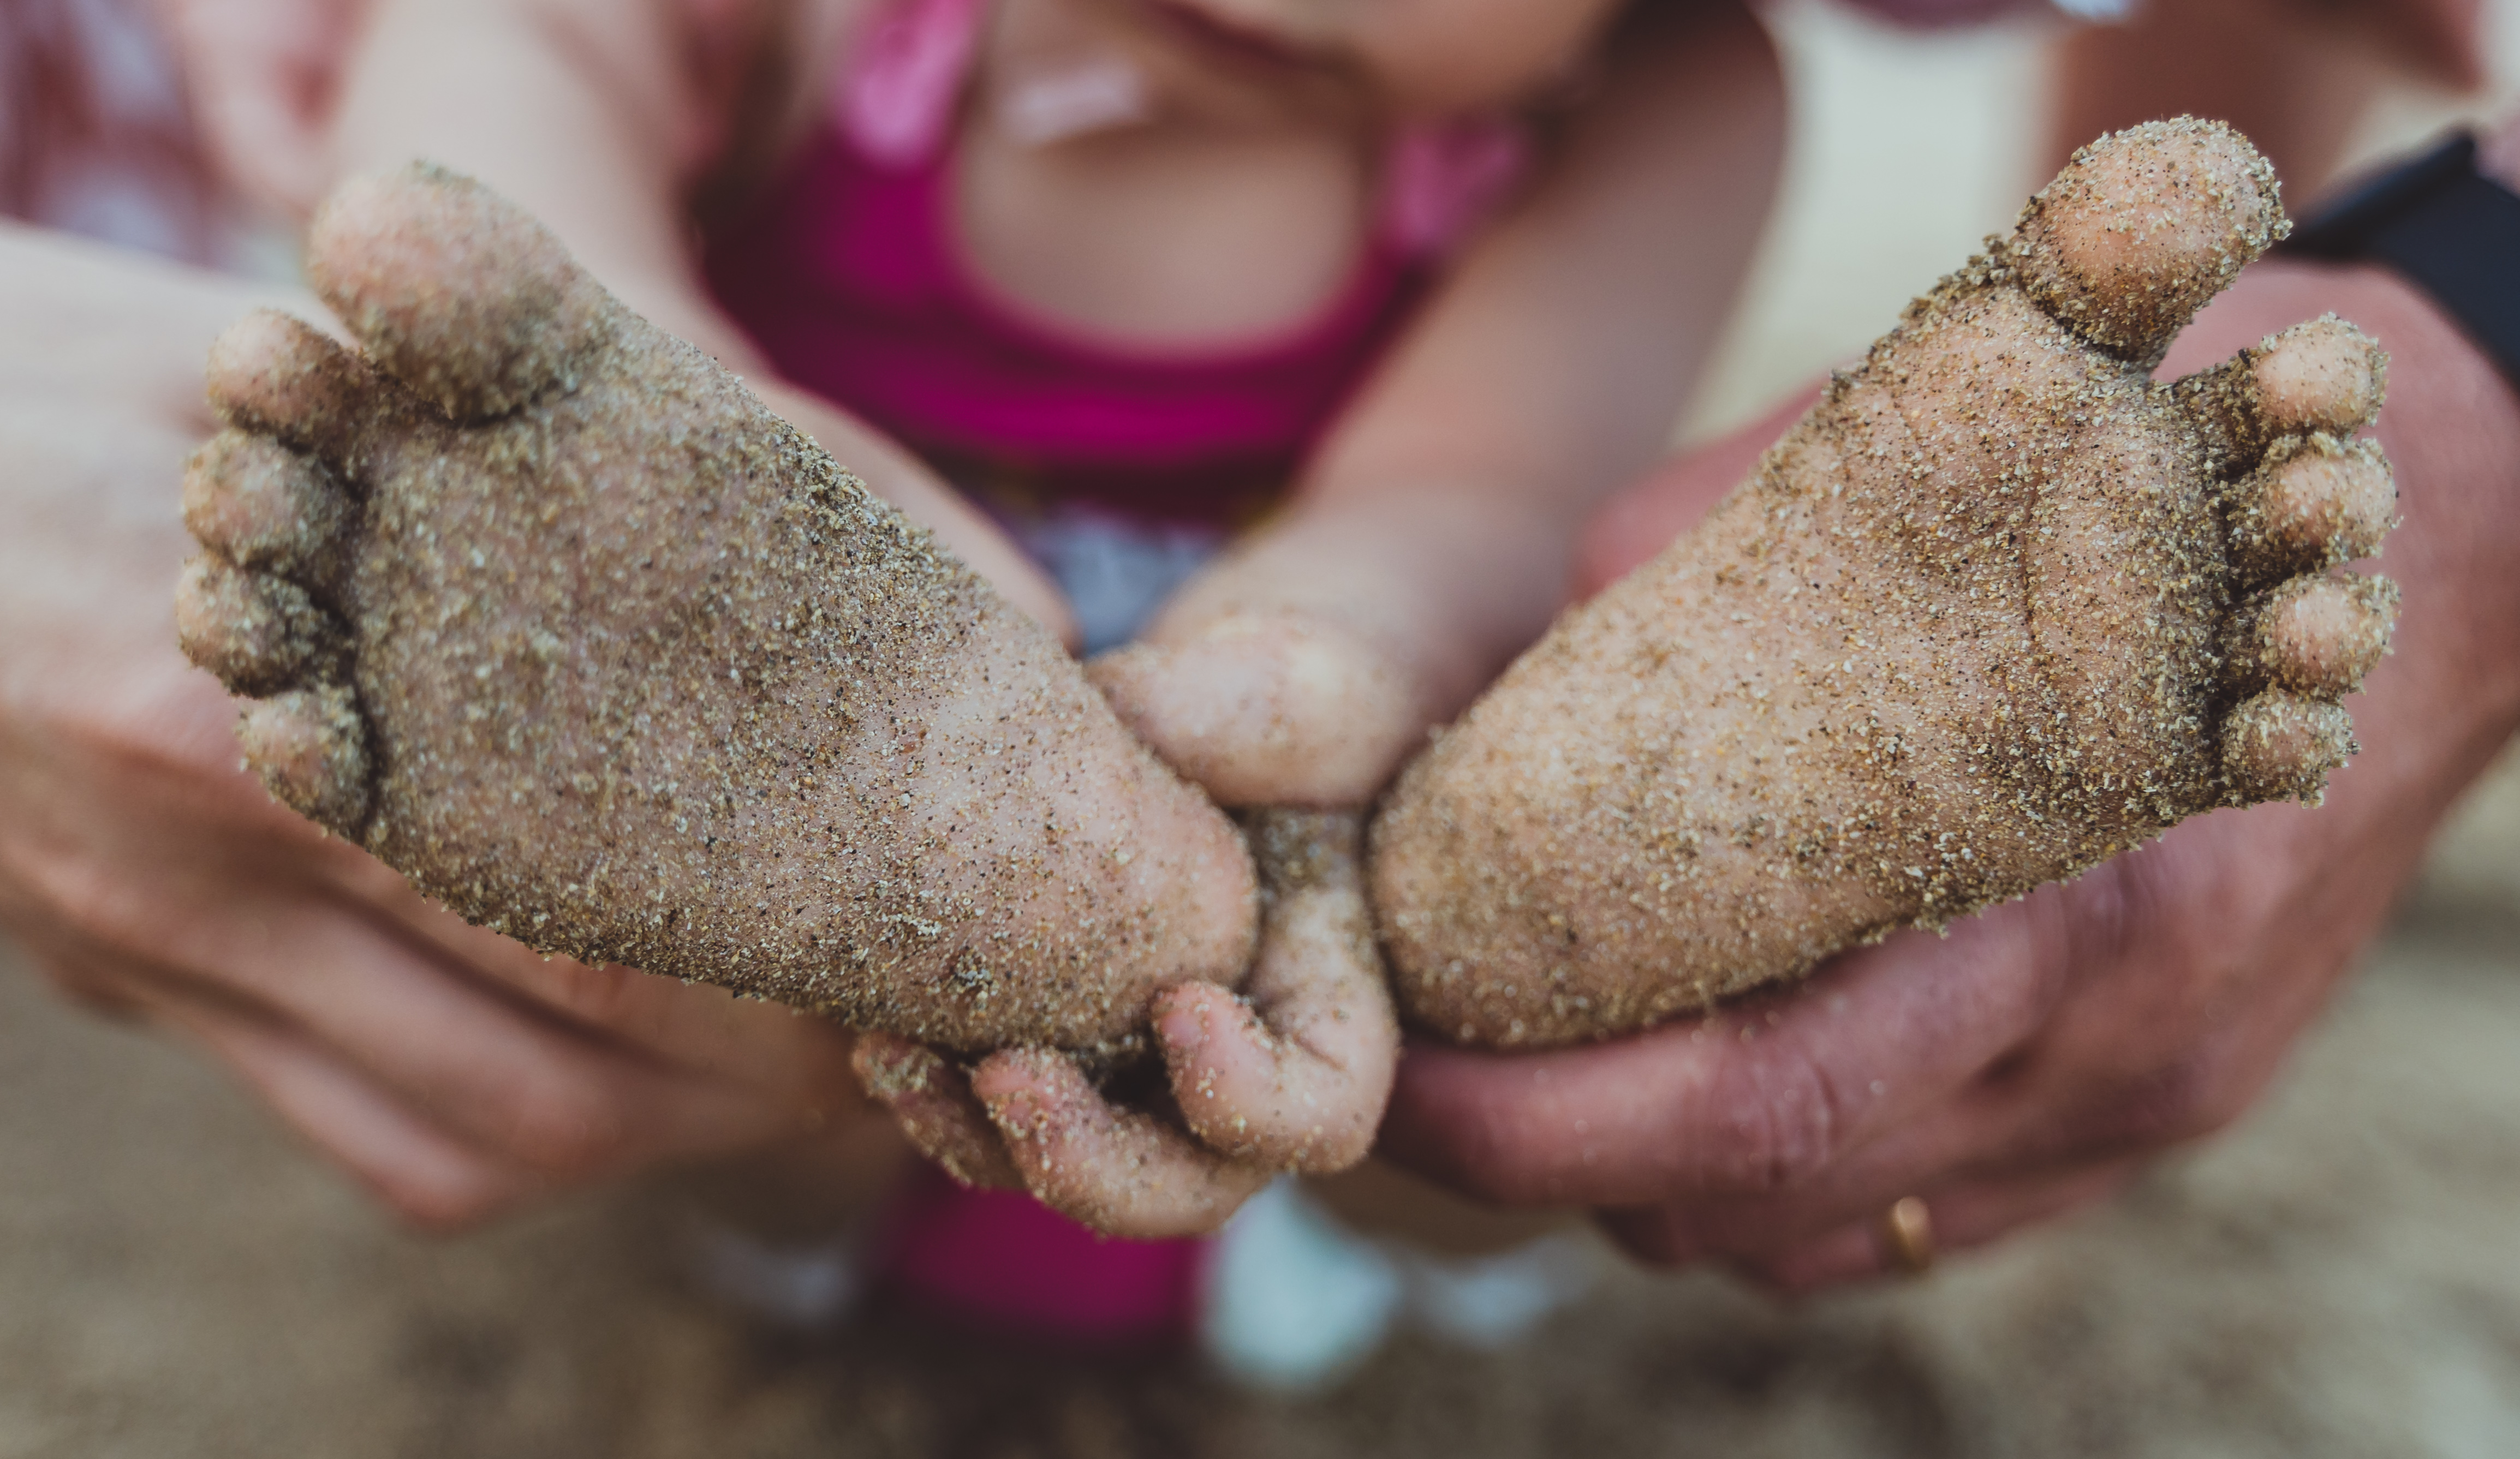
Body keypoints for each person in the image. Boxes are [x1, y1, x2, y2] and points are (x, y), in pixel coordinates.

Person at [1374, 111, 2520, 1289]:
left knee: (1395, 1054)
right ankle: (1549, 864)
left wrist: (2490, 324)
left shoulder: (1665, 106)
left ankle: (1529, 869)